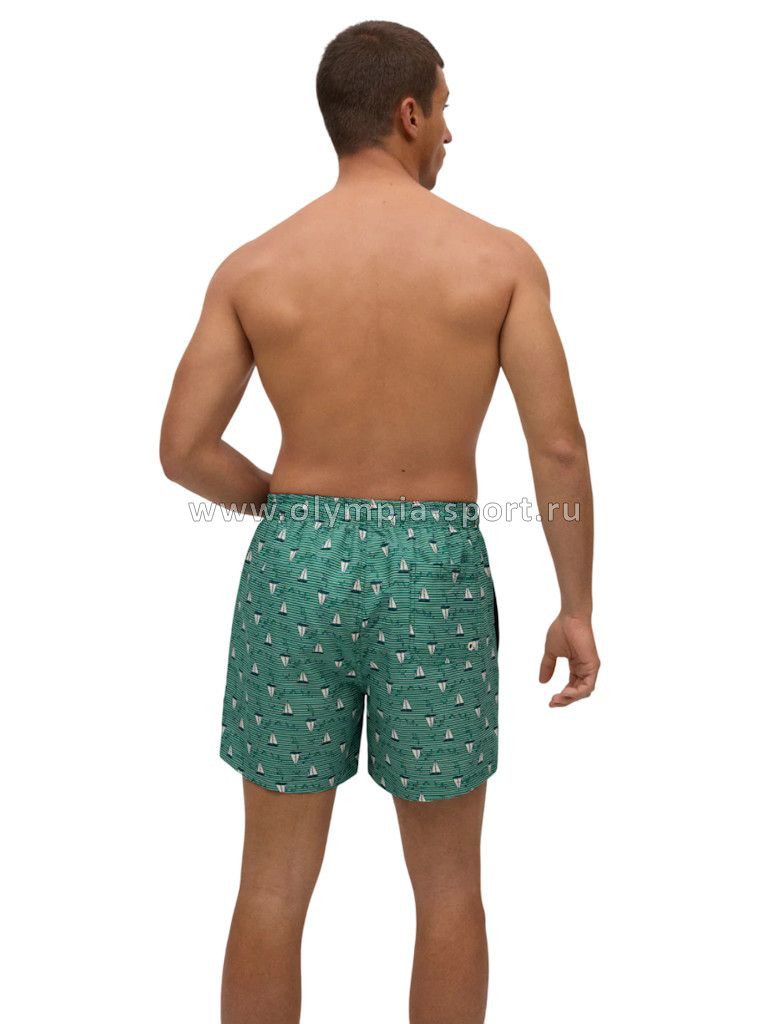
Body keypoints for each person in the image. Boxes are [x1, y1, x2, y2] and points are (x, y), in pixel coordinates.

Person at [160, 19, 599, 1024]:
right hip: (436, 573)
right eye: (444, 110)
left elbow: (184, 448)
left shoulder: (255, 267)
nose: (449, 132)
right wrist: (574, 604)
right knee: (447, 891)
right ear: (408, 113)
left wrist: (289, 507)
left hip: (294, 567)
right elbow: (559, 450)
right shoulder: (496, 260)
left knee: (270, 888)